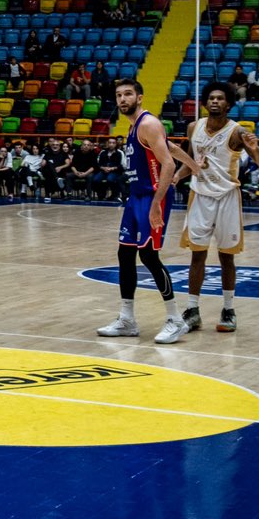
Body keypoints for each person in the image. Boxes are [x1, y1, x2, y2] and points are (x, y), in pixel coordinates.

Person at [164, 82, 259, 339]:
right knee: (197, 256)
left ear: (229, 104)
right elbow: (190, 161)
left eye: (220, 98)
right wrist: (177, 176)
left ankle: (228, 309)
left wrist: (256, 149)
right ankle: (192, 310)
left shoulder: (237, 132)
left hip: (227, 198)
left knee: (227, 257)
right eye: (211, 98)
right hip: (200, 196)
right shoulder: (194, 127)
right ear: (205, 102)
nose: (214, 101)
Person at [96, 78, 183, 343]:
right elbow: (172, 148)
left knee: (149, 256)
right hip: (135, 198)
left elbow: (167, 164)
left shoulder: (148, 123)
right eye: (119, 95)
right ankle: (127, 320)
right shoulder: (136, 127)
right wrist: (194, 165)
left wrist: (156, 204)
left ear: (140, 97)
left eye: (128, 94)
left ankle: (176, 319)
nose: (123, 99)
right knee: (125, 254)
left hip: (152, 197)